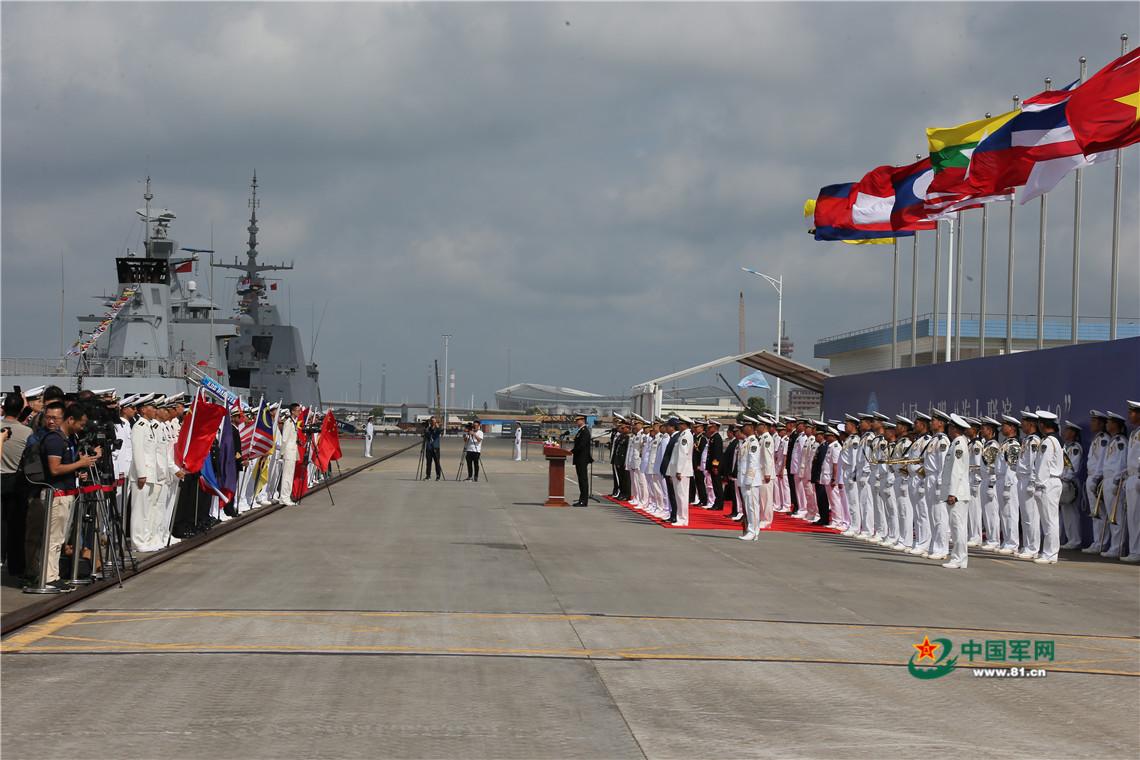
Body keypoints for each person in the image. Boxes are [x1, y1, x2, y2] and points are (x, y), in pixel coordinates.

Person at [38, 403, 102, 587]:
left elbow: (64, 468)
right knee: (54, 538)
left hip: (65, 493)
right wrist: (80, 464)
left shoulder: (68, 439)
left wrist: (76, 471)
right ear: (70, 420)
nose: (82, 427)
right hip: (56, 495)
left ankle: (53, 575)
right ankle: (49, 578)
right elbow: (55, 469)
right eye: (80, 423)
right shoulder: (55, 440)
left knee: (59, 538)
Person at [1, 391, 31, 577]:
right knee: (16, 525)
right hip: (15, 480)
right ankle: (15, 565)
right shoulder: (27, 432)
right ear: (21, 410)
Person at [941, 414, 972, 569]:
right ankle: (960, 558)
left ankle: (958, 558)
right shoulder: (957, 443)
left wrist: (952, 493)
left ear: (954, 428)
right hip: (957, 492)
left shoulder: (959, 443)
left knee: (957, 527)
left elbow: (957, 471)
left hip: (957, 493)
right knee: (957, 527)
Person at [1122, 400, 1140, 563]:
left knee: (1136, 516)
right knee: (1132, 516)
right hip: (1132, 476)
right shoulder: (1134, 433)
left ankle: (1137, 551)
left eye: (1133, 412)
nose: (1130, 415)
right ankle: (1135, 550)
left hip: (1138, 477)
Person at [667, 416, 694, 526]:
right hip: (679, 470)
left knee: (682, 496)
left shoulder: (686, 436)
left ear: (684, 424)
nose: (678, 425)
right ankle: (680, 518)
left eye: (680, 424)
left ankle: (683, 519)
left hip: (682, 471)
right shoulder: (682, 435)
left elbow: (683, 454)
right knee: (679, 496)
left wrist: (679, 471)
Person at [279, 404, 300, 505]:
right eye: (297, 410)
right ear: (292, 411)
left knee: (290, 476)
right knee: (287, 476)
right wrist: (282, 453)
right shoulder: (289, 422)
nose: (299, 412)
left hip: (292, 452)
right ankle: (284, 497)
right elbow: (284, 439)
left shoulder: (294, 422)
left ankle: (286, 496)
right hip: (288, 452)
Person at [570, 414, 592, 506]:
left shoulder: (585, 431)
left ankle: (584, 500)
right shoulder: (580, 431)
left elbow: (581, 445)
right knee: (581, 479)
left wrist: (572, 451)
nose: (576, 422)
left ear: (582, 420)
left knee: (583, 480)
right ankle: (581, 499)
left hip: (582, 458)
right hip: (579, 458)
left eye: (578, 420)